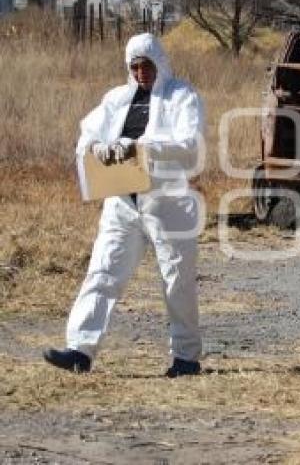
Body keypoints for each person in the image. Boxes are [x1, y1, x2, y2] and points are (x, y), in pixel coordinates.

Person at [43, 33, 205, 377]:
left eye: (147, 65)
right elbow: (89, 131)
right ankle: (79, 350)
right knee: (103, 270)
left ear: (159, 63)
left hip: (168, 203)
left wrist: (144, 147)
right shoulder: (116, 99)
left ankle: (186, 358)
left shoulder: (182, 96)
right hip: (122, 201)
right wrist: (98, 147)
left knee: (176, 278)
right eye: (134, 66)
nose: (141, 72)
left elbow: (191, 144)